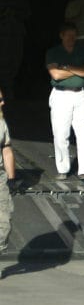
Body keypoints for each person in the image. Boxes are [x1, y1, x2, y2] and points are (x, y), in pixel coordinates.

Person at [45, 22, 84, 182]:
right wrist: (77, 70)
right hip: (61, 95)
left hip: (81, 94)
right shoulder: (53, 52)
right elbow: (56, 75)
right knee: (61, 134)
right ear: (62, 36)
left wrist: (67, 68)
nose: (72, 39)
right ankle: (63, 169)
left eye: (74, 35)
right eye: (69, 35)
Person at [0, 0, 31, 99]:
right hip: (2, 35)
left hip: (15, 35)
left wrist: (14, 13)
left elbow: (27, 12)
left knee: (14, 63)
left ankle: (9, 92)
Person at [0, 87, 17, 258]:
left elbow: (6, 150)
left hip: (0, 178)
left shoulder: (1, 123)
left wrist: (11, 178)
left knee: (4, 219)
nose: (3, 103)